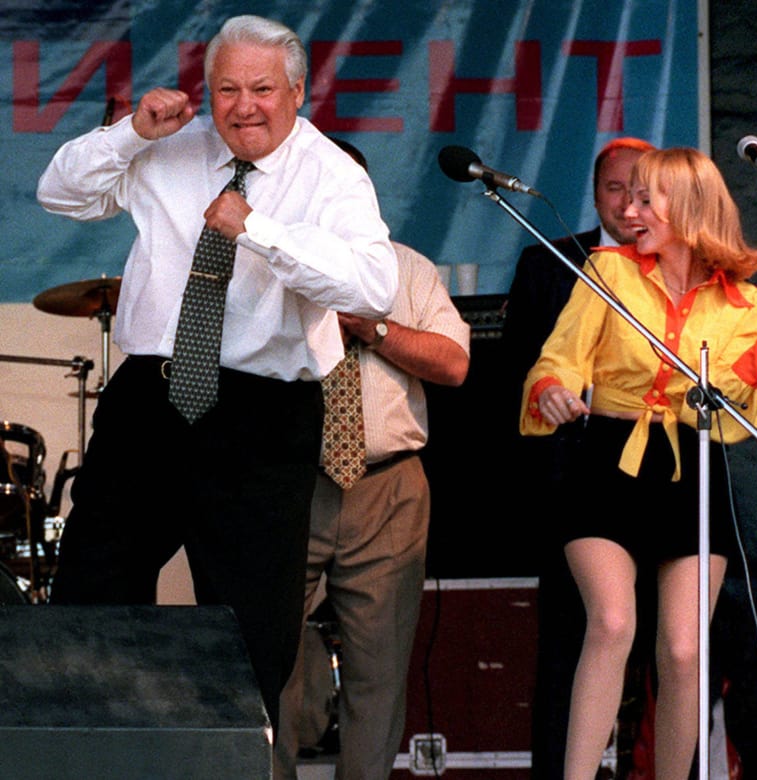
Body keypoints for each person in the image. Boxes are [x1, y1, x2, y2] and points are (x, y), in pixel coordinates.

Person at [37, 14, 398, 733]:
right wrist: (131, 133)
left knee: (251, 630)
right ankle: (92, 748)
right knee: (89, 589)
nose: (243, 106)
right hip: (151, 399)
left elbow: (373, 287)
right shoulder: (171, 145)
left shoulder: (331, 174)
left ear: (297, 91)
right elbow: (60, 193)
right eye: (227, 89)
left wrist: (259, 229)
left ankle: (231, 757)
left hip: (262, 417)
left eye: (262, 89)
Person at [520, 146, 757, 780]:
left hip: (691, 469)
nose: (629, 212)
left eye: (645, 200)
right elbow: (560, 358)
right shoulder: (608, 270)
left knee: (686, 652)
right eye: (627, 198)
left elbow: (731, 405)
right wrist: (551, 388)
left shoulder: (745, 303)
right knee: (612, 623)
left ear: (687, 208)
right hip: (606, 462)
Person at [273, 137, 470, 780]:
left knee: (378, 672)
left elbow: (453, 363)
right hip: (286, 483)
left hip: (387, 487)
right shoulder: (264, 269)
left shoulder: (406, 269)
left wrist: (373, 327)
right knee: (267, 662)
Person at [501, 136, 655, 778]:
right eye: (614, 189)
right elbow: (517, 370)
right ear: (594, 196)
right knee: (572, 644)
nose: (627, 203)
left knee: (668, 649)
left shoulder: (684, 270)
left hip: (661, 482)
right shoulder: (549, 263)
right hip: (573, 485)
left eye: (641, 191)